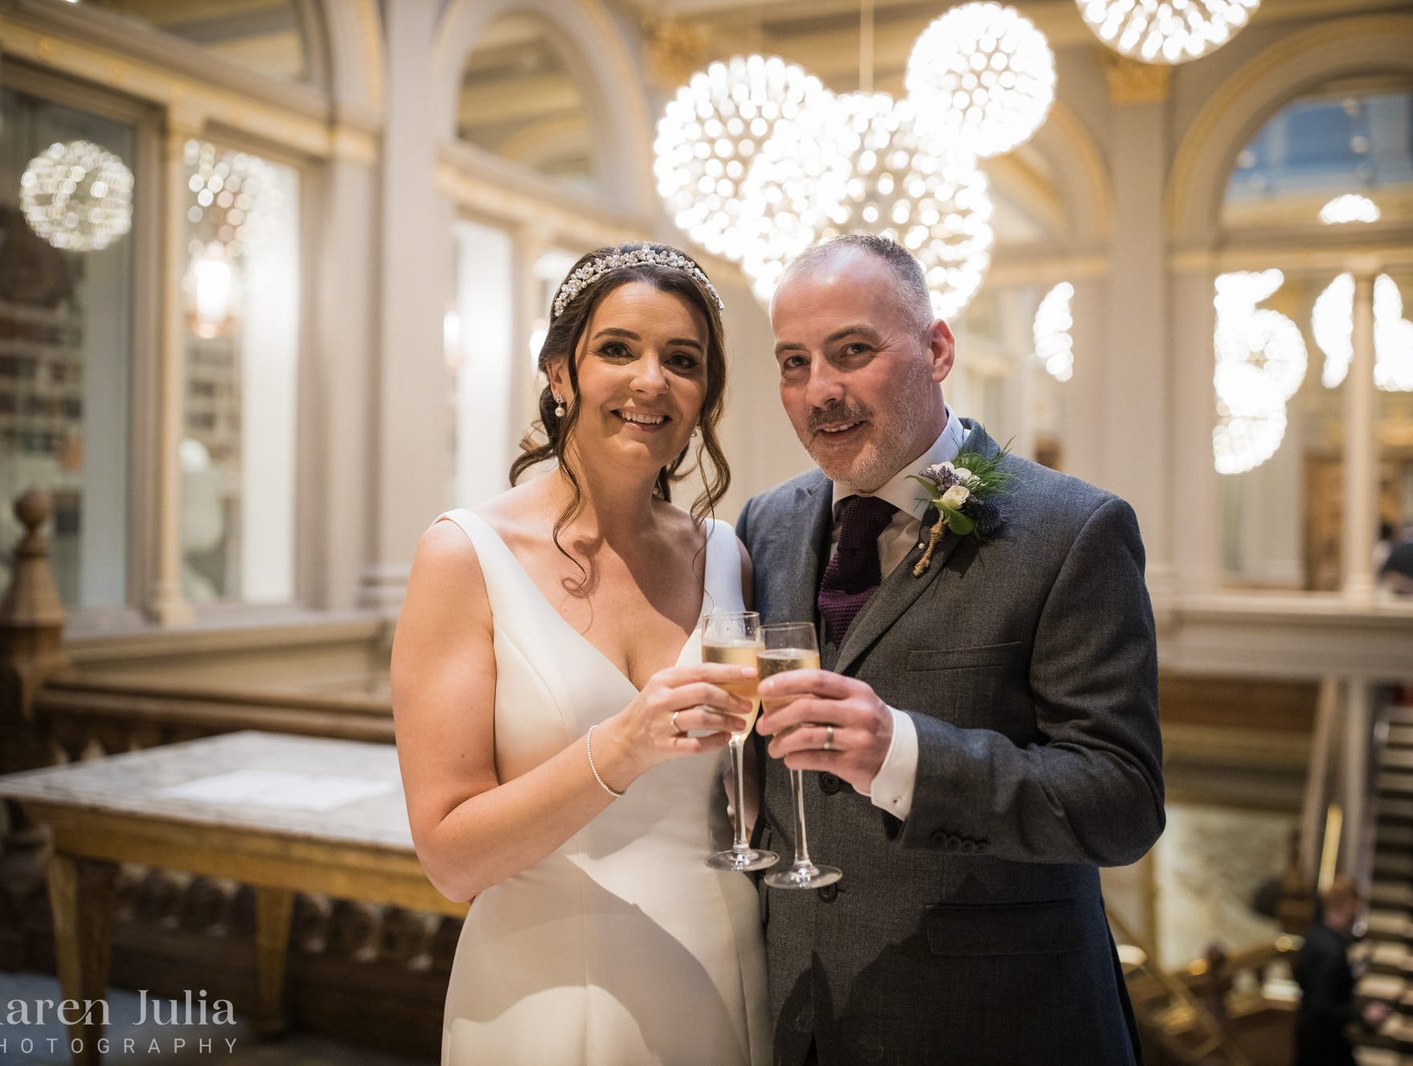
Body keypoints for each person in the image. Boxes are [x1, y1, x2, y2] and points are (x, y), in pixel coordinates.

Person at [739, 235, 1164, 1064]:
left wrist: (905, 755)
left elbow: (1122, 801)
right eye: (793, 363)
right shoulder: (768, 524)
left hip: (997, 1025)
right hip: (804, 1018)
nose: (820, 390)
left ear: (936, 350)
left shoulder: (1073, 530)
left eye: (852, 351)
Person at [392, 242, 771, 1065]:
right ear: (559, 372)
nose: (650, 382)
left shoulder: (729, 556)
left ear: (704, 395)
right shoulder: (464, 556)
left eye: (682, 360)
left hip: (725, 968)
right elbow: (451, 858)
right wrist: (622, 746)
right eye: (617, 350)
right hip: (545, 986)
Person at [1293, 876, 1392, 1066]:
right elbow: (1321, 1005)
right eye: (1356, 906)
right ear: (1349, 905)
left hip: (1308, 1033)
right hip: (1324, 1043)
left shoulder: (1315, 935)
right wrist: (1363, 1016)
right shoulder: (1332, 950)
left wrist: (1349, 977)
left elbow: (1311, 982)